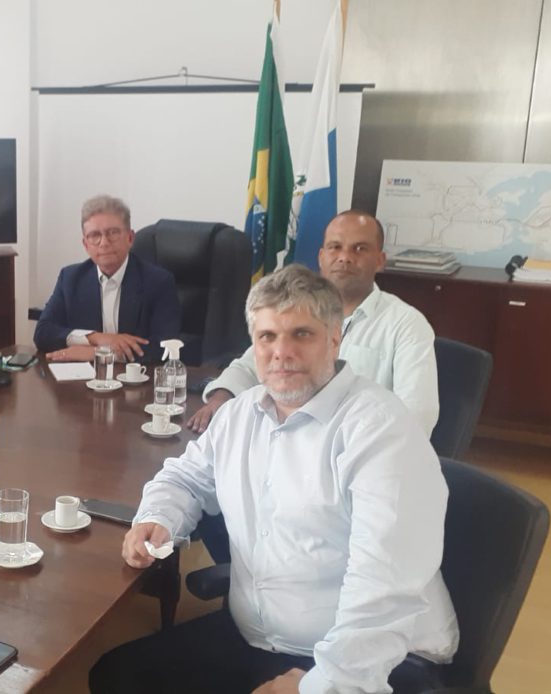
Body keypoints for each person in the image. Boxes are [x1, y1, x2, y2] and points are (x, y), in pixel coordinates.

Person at [89, 264, 458, 694]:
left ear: (334, 339)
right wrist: (158, 518)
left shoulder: (381, 431)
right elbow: (185, 479)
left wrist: (319, 686)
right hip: (257, 637)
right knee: (116, 677)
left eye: (301, 334)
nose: (282, 352)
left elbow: (385, 593)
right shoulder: (239, 414)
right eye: (267, 336)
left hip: (374, 660)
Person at [187, 209, 438, 434]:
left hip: (356, 449)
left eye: (360, 249)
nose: (345, 257)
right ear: (321, 256)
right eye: (335, 247)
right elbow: (249, 366)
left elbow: (417, 415)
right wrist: (221, 398)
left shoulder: (406, 324)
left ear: (380, 260)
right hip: (282, 439)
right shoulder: (295, 310)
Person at [33, 194, 180, 363]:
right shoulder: (70, 278)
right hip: (83, 377)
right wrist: (96, 338)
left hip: (136, 377)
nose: (104, 243)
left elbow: (164, 348)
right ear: (86, 244)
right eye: (95, 235)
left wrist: (97, 353)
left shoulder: (158, 282)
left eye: (113, 233)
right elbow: (43, 333)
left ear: (130, 238)